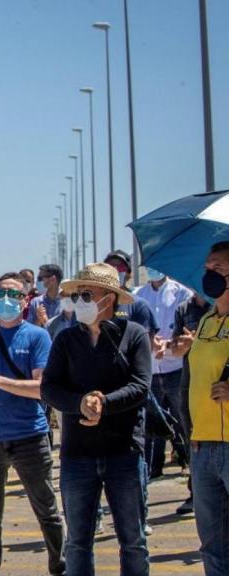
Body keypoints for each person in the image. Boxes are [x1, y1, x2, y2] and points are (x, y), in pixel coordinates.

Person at [41, 263, 151, 575]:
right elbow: (49, 388)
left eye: (87, 295)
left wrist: (103, 402)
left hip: (124, 453)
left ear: (110, 298)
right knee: (77, 541)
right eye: (78, 295)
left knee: (133, 539)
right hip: (77, 456)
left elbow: (141, 386)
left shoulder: (134, 335)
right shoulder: (66, 340)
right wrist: (80, 403)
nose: (80, 302)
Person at [0, 273, 65, 576]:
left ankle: (59, 564)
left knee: (45, 507)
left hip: (29, 435)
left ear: (25, 301)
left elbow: (40, 388)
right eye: (2, 293)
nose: (8, 300)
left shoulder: (37, 336)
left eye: (15, 294)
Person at [185, 241, 229, 574]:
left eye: (218, 268)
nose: (209, 274)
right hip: (203, 446)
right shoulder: (205, 322)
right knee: (212, 544)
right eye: (207, 268)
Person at [135, 268, 193, 478]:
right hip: (151, 369)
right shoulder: (139, 295)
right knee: (152, 424)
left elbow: (186, 329)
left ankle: (187, 461)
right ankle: (153, 467)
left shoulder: (181, 293)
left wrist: (166, 346)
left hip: (175, 367)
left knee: (183, 419)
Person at [169, 292, 211, 516]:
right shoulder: (184, 309)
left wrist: (199, 343)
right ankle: (197, 493)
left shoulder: (218, 308)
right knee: (192, 440)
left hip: (213, 386)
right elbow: (174, 349)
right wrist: (183, 346)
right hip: (189, 383)